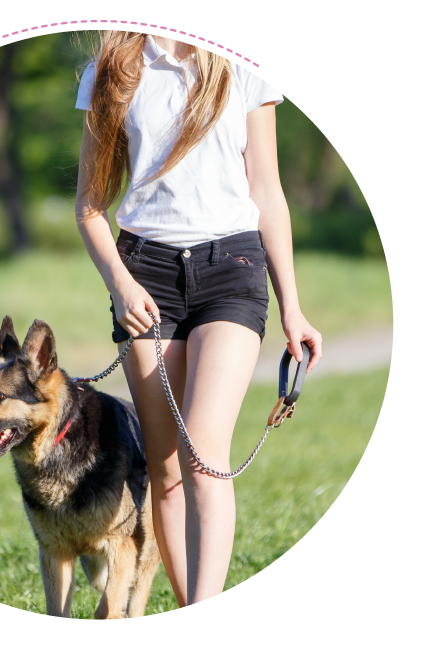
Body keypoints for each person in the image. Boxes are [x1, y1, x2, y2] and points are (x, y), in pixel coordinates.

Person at [74, 31, 323, 608]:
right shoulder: (112, 68)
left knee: (205, 454)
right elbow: (89, 205)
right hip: (146, 273)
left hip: (231, 266)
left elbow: (267, 189)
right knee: (164, 470)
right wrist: (121, 285)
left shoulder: (247, 62)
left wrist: (292, 305)